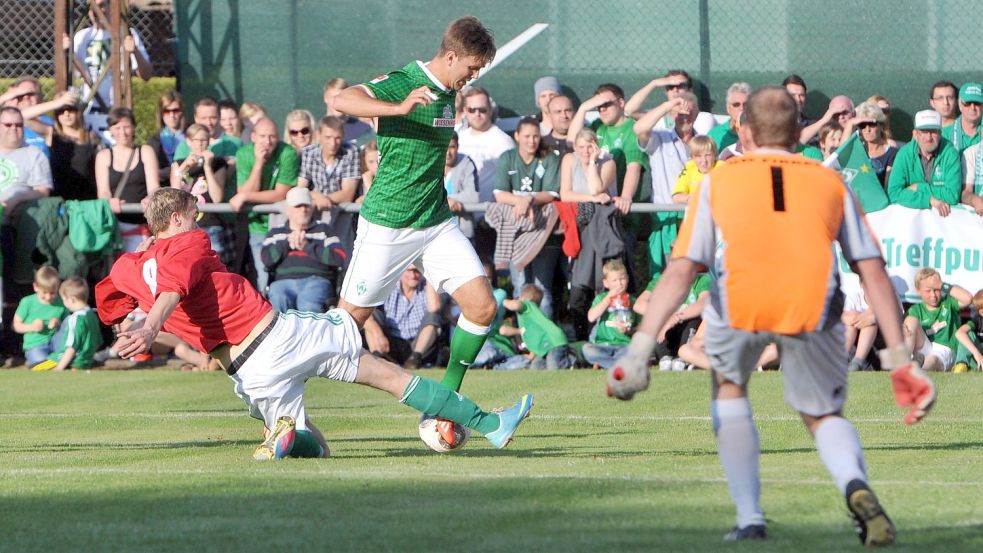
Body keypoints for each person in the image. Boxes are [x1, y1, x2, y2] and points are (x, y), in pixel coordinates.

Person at [606, 85, 936, 545]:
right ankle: (854, 486)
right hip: (812, 300)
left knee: (729, 388)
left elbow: (683, 268)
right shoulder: (830, 180)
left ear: (744, 130)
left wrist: (641, 347)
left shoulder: (719, 179)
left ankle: (750, 518)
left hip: (740, 297)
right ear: (800, 131)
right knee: (822, 415)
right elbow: (872, 271)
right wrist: (901, 361)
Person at [96, 188, 533, 459]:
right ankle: (493, 427)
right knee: (381, 363)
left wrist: (124, 326)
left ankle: (287, 436)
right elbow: (174, 284)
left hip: (247, 373)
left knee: (317, 447)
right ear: (177, 221)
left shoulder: (127, 267)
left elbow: (109, 300)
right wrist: (152, 327)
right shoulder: (189, 243)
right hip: (280, 335)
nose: (198, 220)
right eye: (193, 214)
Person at [333, 16, 505, 446]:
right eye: (471, 68)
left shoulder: (450, 95)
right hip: (388, 224)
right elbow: (343, 99)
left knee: (482, 307)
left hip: (433, 220)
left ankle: (443, 403)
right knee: (341, 329)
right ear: (450, 56)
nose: (473, 77)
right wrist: (397, 107)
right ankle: (281, 405)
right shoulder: (405, 81)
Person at [493, 117, 562, 318]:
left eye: (535, 136)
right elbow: (500, 194)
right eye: (527, 136)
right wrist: (521, 201)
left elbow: (551, 193)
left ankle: (545, 339)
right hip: (516, 232)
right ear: (517, 136)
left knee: (542, 289)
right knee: (520, 287)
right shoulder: (507, 158)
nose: (531, 141)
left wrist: (529, 199)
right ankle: (525, 337)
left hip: (543, 231)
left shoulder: (549, 158)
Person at [231, 117, 299, 292]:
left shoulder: (287, 153)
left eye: (272, 136)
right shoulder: (244, 154)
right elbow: (244, 189)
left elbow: (280, 193)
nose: (267, 142)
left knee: (282, 277)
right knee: (262, 279)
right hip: (256, 226)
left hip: (282, 224)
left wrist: (245, 195)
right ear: (253, 137)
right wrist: (259, 164)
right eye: (262, 136)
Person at [68, 0, 151, 136]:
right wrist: (65, 51)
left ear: (110, 6)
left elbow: (146, 74)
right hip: (89, 108)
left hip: (116, 109)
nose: (96, 10)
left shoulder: (126, 33)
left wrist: (134, 50)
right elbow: (72, 74)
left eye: (101, 5)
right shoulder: (81, 36)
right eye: (92, 6)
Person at [568, 82, 648, 215]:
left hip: (621, 209)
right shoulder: (597, 126)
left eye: (606, 104)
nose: (602, 109)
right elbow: (572, 142)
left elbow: (634, 167)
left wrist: (625, 197)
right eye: (598, 106)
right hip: (594, 207)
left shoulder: (632, 129)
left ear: (621, 103)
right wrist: (583, 108)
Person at [261, 187, 345, 312]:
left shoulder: (324, 230)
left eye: (306, 206)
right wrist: (287, 243)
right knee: (278, 300)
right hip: (283, 282)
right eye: (298, 206)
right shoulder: (276, 233)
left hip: (317, 280)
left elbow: (339, 257)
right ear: (288, 210)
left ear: (312, 207)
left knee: (308, 303)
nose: (303, 210)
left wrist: (307, 246)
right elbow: (266, 259)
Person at [94, 107, 159, 252]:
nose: (122, 132)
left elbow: (154, 187)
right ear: (110, 130)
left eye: (127, 127)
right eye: (117, 127)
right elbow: (103, 191)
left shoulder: (146, 152)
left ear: (134, 128)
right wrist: (109, 201)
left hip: (142, 225)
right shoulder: (103, 156)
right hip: (116, 226)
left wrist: (150, 198)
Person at [363, 266, 443, 369]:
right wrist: (377, 333)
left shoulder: (426, 287)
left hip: (418, 344)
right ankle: (377, 359)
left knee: (433, 317)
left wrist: (429, 275)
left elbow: (434, 308)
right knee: (371, 316)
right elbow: (364, 311)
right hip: (390, 343)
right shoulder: (388, 287)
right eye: (409, 271)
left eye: (417, 271)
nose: (413, 276)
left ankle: (415, 359)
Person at [886, 110, 961, 217]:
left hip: (943, 223)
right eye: (924, 132)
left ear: (940, 133)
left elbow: (953, 195)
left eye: (933, 131)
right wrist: (928, 199)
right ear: (915, 134)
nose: (929, 137)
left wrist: (918, 187)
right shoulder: (904, 154)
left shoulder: (950, 153)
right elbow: (893, 193)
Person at [169, 123, 227, 259]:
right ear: (189, 141)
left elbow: (217, 197)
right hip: (185, 227)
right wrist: (184, 167)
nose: (200, 144)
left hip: (210, 224)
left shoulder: (218, 163)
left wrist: (207, 167)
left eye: (204, 140)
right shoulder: (179, 163)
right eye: (197, 140)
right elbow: (174, 195)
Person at [903, 268, 971, 372]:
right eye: (928, 291)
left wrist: (941, 285)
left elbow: (968, 299)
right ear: (918, 291)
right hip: (925, 346)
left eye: (936, 290)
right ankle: (904, 362)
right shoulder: (916, 310)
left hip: (945, 349)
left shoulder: (948, 303)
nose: (933, 295)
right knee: (910, 321)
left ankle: (912, 368)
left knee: (933, 360)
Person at [30, 277, 103, 371]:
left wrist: (59, 368)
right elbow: (98, 341)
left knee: (36, 369)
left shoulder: (74, 319)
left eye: (64, 299)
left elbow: (71, 348)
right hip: (86, 361)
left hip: (64, 360)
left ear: (71, 299)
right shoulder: (92, 315)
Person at [456, 86, 515, 202]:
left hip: (488, 214)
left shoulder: (503, 141)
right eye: (472, 110)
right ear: (465, 111)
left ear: (490, 110)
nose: (477, 114)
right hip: (456, 211)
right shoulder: (459, 139)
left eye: (482, 109)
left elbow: (512, 182)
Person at [498, 284, 576, 370]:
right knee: (536, 369)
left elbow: (516, 305)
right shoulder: (531, 316)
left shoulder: (528, 305)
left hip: (554, 342)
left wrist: (503, 301)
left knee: (554, 366)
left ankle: (571, 360)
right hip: (544, 349)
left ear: (523, 298)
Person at [624, 70, 716, 136]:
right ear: (666, 91)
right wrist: (653, 83)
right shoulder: (656, 116)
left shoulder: (703, 118)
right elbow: (629, 111)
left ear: (690, 90)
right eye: (670, 86)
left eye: (681, 85)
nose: (675, 89)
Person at [582, 260, 636, 370]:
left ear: (628, 279)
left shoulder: (633, 300)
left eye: (622, 279)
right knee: (587, 349)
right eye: (614, 280)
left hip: (624, 345)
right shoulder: (601, 298)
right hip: (603, 345)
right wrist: (609, 298)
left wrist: (628, 330)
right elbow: (591, 317)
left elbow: (642, 328)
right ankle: (618, 365)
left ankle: (607, 363)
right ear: (606, 283)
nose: (619, 284)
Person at [298, 116, 361, 211]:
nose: (333, 143)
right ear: (318, 135)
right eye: (328, 137)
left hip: (342, 213)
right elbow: (300, 189)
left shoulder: (351, 152)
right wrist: (316, 196)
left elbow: (348, 194)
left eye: (338, 138)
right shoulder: (308, 153)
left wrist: (322, 200)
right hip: (313, 211)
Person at [0, 106, 53, 217]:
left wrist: (17, 198)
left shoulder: (35, 155)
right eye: (8, 125)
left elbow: (43, 191)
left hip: (16, 222)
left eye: (19, 125)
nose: (14, 128)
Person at [13, 266, 68, 366]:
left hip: (55, 342)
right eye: (44, 293)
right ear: (36, 287)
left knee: (66, 349)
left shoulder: (61, 303)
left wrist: (58, 323)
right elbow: (16, 326)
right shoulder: (27, 302)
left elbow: (69, 325)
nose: (48, 297)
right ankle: (48, 361)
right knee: (39, 359)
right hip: (35, 344)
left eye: (52, 293)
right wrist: (32, 327)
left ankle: (57, 360)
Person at [48, 100, 100, 201]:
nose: (66, 114)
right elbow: (23, 117)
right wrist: (55, 103)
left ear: (78, 112)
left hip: (86, 196)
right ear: (57, 115)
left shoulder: (91, 137)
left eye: (70, 109)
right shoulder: (51, 135)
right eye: (61, 111)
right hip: (60, 198)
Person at [559, 128, 616, 203]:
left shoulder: (608, 163)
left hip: (603, 212)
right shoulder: (569, 160)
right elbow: (565, 195)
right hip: (578, 211)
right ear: (575, 147)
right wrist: (593, 198)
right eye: (581, 147)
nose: (585, 151)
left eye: (590, 147)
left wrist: (592, 161)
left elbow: (595, 190)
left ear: (596, 147)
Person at [847, 101, 896, 186]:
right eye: (862, 125)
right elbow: (841, 152)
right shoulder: (856, 150)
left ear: (881, 126)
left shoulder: (891, 153)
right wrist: (850, 123)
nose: (867, 129)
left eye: (872, 124)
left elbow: (888, 186)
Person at [444, 132, 479, 239]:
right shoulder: (431, 164)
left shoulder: (466, 162)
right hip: (435, 231)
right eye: (445, 147)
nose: (448, 153)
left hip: (463, 232)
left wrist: (448, 200)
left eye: (452, 147)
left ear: (458, 147)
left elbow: (473, 197)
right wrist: (447, 202)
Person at [145, 90, 185, 180]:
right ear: (161, 113)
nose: (172, 115)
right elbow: (151, 173)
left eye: (176, 110)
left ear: (181, 112)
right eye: (167, 111)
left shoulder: (191, 136)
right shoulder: (154, 141)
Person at [322, 77, 374, 145]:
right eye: (334, 97)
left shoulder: (364, 130)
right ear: (325, 98)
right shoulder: (317, 131)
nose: (338, 101)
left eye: (342, 97)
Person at [671, 135, 721, 204]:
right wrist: (691, 198)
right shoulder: (689, 167)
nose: (704, 160)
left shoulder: (723, 168)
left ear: (715, 155)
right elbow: (676, 197)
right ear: (692, 157)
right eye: (698, 156)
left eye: (708, 155)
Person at [707, 82, 751, 152]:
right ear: (728, 108)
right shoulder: (715, 135)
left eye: (746, 104)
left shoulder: (758, 134)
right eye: (736, 104)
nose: (742, 108)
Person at [941, 82, 982, 152]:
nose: (973, 107)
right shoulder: (944, 135)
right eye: (967, 103)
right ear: (959, 104)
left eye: (977, 103)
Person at [953, 289, 983, 372]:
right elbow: (959, 333)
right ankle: (961, 364)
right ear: (981, 312)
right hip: (977, 358)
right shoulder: (977, 320)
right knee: (968, 334)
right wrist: (977, 354)